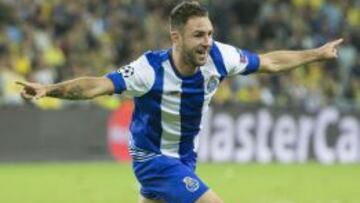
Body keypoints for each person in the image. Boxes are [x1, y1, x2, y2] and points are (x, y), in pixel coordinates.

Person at [17, 1, 343, 203]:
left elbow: (269, 62)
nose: (207, 42)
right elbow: (97, 85)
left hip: (184, 158)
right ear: (177, 38)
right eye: (198, 35)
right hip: (152, 159)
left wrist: (316, 54)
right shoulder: (148, 69)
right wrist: (49, 89)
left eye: (210, 33)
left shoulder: (220, 56)